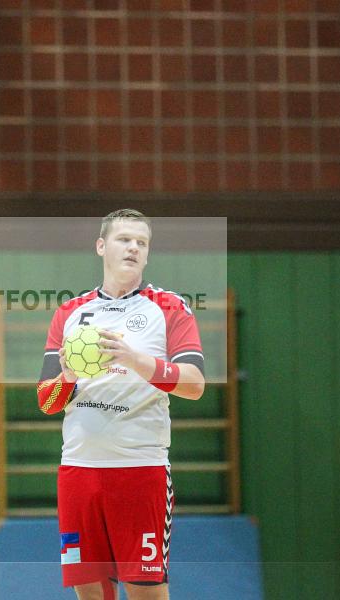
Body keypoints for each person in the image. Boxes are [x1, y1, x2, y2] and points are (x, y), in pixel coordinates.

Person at [37, 209, 206, 600]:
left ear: (147, 255)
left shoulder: (169, 308)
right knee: (90, 593)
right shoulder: (70, 313)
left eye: (141, 243)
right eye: (123, 239)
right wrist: (68, 377)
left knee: (145, 591)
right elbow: (48, 401)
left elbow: (195, 385)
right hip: (79, 470)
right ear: (101, 246)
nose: (133, 247)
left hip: (139, 470)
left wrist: (134, 360)